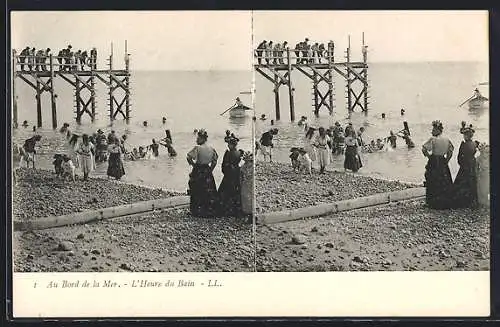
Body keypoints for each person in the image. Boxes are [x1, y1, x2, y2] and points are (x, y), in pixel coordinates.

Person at [421, 120, 454, 209]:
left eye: (433, 129)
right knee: (444, 180)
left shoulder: (433, 139)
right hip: (442, 160)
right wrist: (446, 160)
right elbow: (450, 152)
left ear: (437, 130)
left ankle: (433, 202)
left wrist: (429, 157)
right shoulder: (447, 139)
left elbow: (424, 148)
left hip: (434, 160)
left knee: (432, 179)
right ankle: (445, 201)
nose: (432, 131)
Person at [186, 129, 219, 217]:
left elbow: (188, 157)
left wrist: (193, 165)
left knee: (196, 188)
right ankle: (208, 209)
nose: (197, 140)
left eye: (198, 138)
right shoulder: (211, 148)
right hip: (207, 169)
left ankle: (196, 210)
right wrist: (210, 170)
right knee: (208, 189)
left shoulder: (198, 148)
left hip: (198, 169)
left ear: (202, 138)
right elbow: (215, 161)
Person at [451, 126, 478, 208]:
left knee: (462, 180)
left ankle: (461, 200)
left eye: (465, 135)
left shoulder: (463, 144)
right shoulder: (475, 144)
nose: (464, 136)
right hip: (472, 163)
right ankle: (471, 199)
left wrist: (461, 163)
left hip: (465, 164)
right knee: (471, 181)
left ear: (466, 136)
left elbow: (459, 156)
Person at [218, 134, 243, 217]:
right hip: (236, 172)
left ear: (232, 145)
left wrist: (225, 171)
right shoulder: (239, 152)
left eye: (229, 144)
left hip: (229, 173)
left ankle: (224, 209)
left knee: (225, 190)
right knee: (235, 190)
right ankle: (235, 209)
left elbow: (224, 165)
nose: (228, 145)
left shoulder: (228, 153)